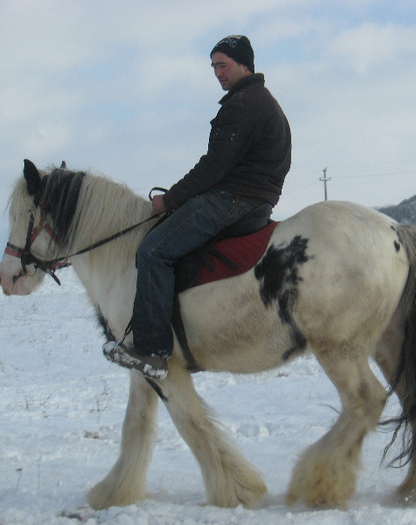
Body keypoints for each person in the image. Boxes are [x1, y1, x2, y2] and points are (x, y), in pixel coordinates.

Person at [104, 35, 292, 379]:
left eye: (223, 65)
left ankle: (153, 351)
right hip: (257, 201)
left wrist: (170, 199)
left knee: (152, 251)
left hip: (233, 200)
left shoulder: (243, 104)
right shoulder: (265, 103)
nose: (217, 73)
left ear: (244, 65)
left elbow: (213, 167)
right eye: (214, 67)